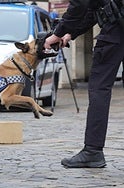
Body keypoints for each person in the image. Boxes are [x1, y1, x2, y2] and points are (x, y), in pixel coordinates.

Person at [44, 0, 124, 168]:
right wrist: (71, 33)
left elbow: (81, 4)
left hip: (116, 31)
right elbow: (97, 8)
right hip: (115, 23)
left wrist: (59, 32)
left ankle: (93, 151)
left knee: (99, 89)